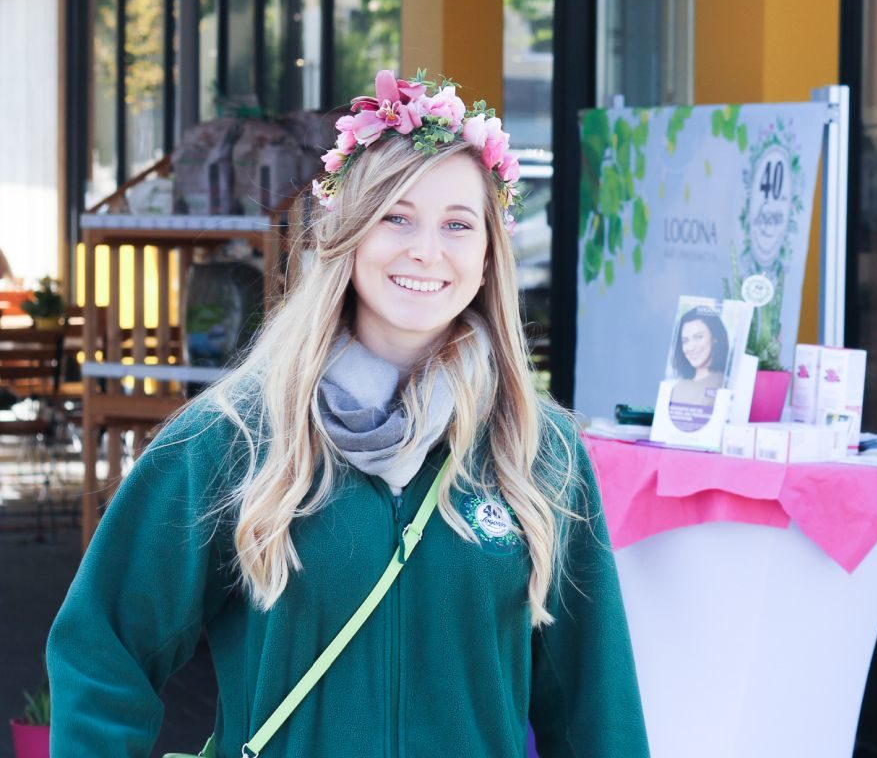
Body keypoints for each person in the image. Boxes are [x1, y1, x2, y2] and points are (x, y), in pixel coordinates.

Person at [47, 69, 650, 757]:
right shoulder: (235, 437)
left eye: (458, 225)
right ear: (347, 234)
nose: (427, 249)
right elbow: (103, 650)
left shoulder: (537, 450)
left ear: (488, 257)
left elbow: (595, 707)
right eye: (397, 216)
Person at [667, 306, 728, 408]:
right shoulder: (678, 386)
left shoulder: (724, 384)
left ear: (715, 337)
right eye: (685, 341)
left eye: (698, 337)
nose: (690, 348)